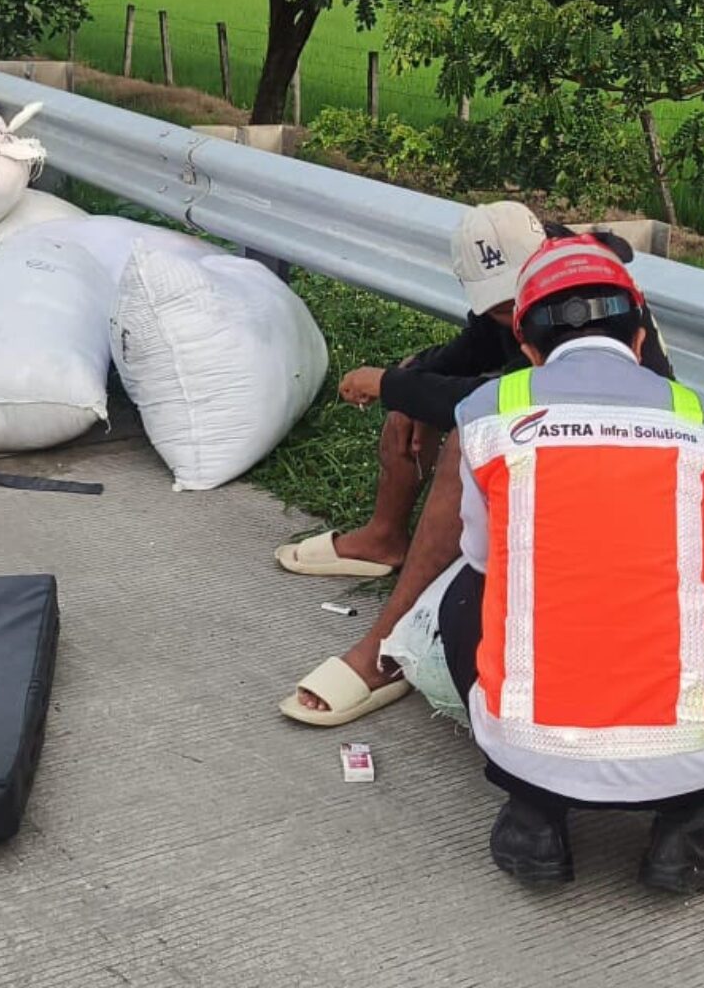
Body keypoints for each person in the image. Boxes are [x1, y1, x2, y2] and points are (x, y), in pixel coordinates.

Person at [438, 237, 704, 894]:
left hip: (530, 748)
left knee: (464, 597)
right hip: (690, 753)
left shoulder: (489, 413)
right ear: (639, 338)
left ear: (528, 349)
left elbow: (483, 556)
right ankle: (685, 822)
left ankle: (534, 813)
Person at [275, 203, 673, 727]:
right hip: (550, 438)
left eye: (515, 302)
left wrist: (394, 385)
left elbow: (504, 401)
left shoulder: (584, 294)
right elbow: (474, 355)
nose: (509, 314)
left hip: (610, 462)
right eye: (497, 305)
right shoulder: (515, 300)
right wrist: (406, 383)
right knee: (417, 389)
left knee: (469, 430)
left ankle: (384, 649)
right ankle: (384, 537)